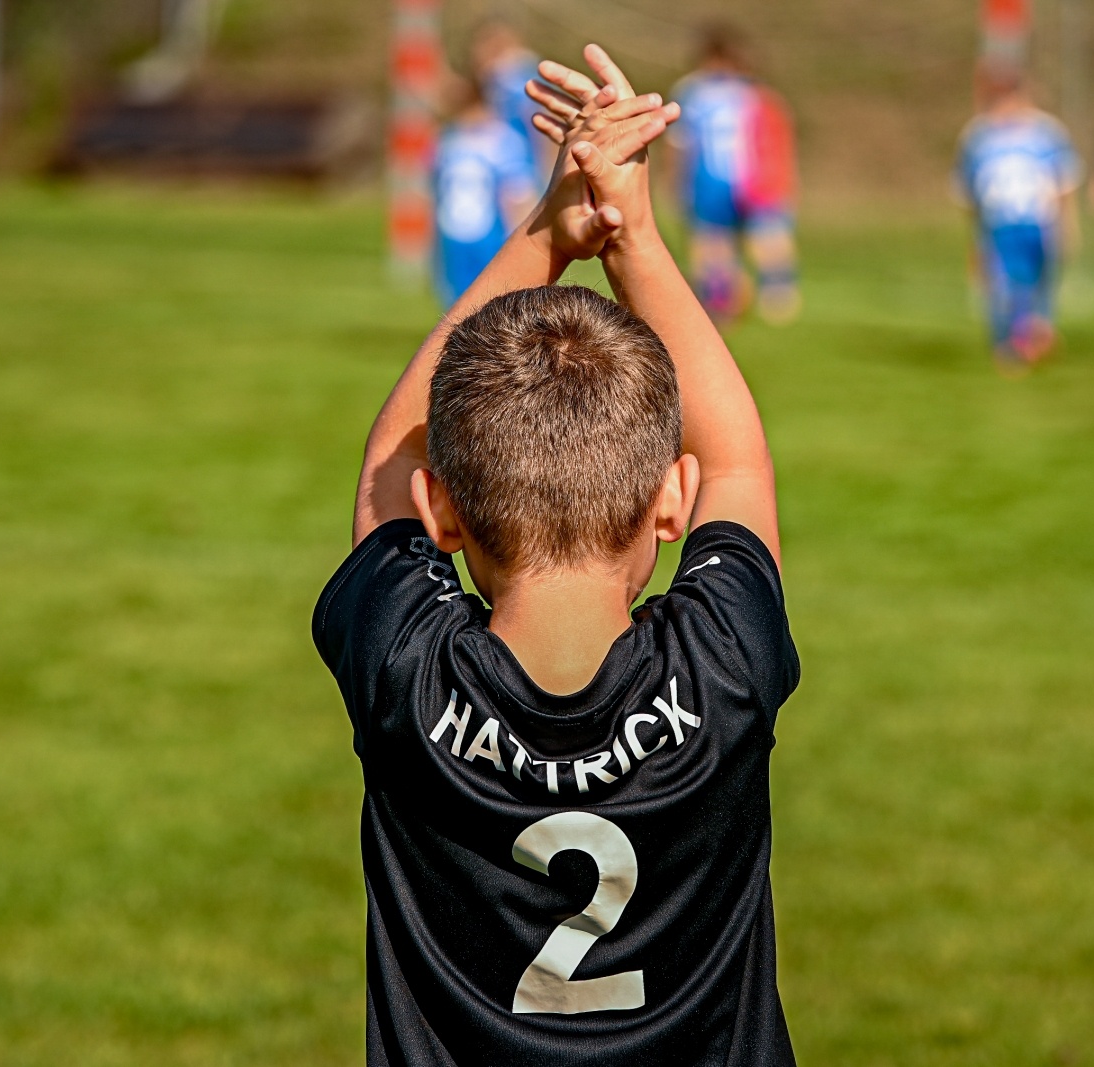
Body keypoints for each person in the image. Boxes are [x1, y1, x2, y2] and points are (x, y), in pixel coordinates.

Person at [314, 43, 800, 1067]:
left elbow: (384, 471)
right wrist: (635, 237)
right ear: (672, 499)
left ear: (443, 512)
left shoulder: (407, 674)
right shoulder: (723, 670)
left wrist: (546, 231)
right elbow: (741, 463)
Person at [668, 24, 800, 325]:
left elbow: (679, 143)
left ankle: (721, 302)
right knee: (767, 235)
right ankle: (777, 297)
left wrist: (677, 180)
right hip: (756, 178)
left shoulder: (691, 92)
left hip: (710, 178)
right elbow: (778, 137)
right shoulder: (755, 93)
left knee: (713, 241)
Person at [954, 60, 1082, 373]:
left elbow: (1064, 185)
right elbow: (969, 195)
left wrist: (1069, 226)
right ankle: (1010, 347)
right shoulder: (977, 137)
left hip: (1038, 226)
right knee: (1002, 290)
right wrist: (975, 240)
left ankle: (1033, 339)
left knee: (1037, 289)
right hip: (998, 229)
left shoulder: (1047, 133)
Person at [431, 75, 539, 307]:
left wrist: (518, 238)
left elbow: (518, 192)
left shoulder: (503, 140)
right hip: (453, 233)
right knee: (457, 304)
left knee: (493, 302)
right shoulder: (449, 139)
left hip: (491, 235)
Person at [470, 19, 554, 176]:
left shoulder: (515, 80)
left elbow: (545, 126)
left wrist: (547, 174)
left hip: (522, 170)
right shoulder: (504, 80)